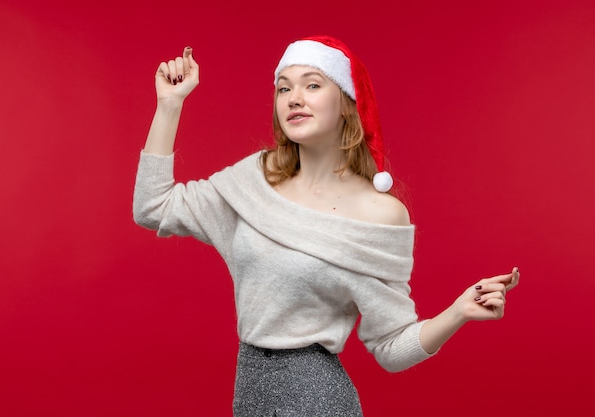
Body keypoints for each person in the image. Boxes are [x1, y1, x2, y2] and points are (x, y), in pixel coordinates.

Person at [133, 35, 520, 416]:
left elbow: (391, 346)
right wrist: (169, 106)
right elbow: (154, 207)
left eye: (312, 85)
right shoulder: (254, 181)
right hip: (249, 394)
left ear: (346, 105)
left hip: (317, 400)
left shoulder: (380, 215)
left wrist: (458, 312)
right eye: (284, 88)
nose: (294, 97)